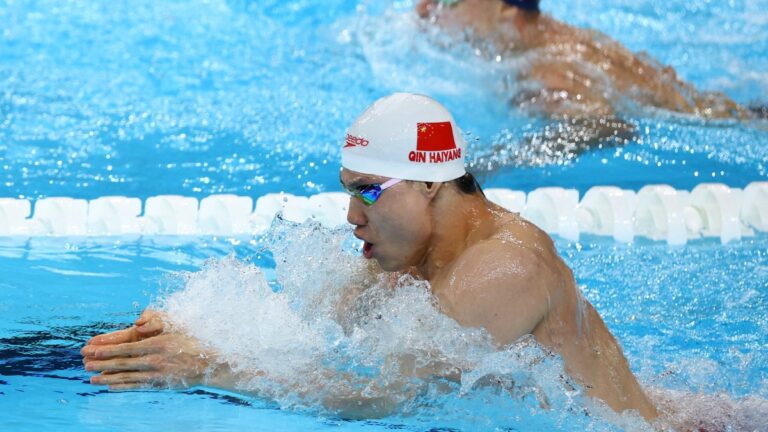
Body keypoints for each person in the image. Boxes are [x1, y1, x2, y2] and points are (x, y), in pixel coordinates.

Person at [81, 93, 658, 422]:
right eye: (349, 189)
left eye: (370, 191)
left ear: (429, 184)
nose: (352, 215)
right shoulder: (412, 254)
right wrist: (195, 331)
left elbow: (387, 401)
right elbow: (308, 331)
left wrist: (211, 368)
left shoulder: (507, 270)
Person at [416, 0, 750, 121]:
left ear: (506, 8)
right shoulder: (546, 40)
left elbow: (604, 125)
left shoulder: (549, 73)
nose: (425, 9)